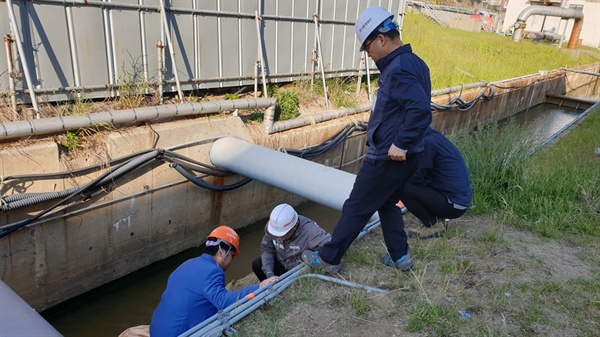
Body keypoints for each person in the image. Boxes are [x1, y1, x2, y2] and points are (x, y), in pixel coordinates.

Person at [303, 6, 432, 272]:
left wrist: (400, 143)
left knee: (357, 206)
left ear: (381, 39)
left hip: (389, 156)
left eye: (368, 47)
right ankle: (401, 257)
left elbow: (420, 109)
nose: (368, 55)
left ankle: (329, 259)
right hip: (407, 155)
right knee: (387, 203)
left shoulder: (398, 68)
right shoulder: (416, 63)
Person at [149, 225, 279, 337]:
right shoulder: (213, 271)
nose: (231, 263)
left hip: (155, 330)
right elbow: (222, 301)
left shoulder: (187, 264)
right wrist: (259, 287)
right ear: (222, 252)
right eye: (232, 257)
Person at [400, 127, 472, 239]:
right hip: (457, 199)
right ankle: (438, 221)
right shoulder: (432, 136)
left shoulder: (427, 144)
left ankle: (432, 225)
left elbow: (417, 177)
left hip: (453, 203)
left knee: (402, 186)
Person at [252, 203, 331, 281]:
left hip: (296, 268)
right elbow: (266, 249)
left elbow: (332, 246)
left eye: (282, 235)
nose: (278, 238)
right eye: (276, 235)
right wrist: (269, 273)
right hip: (282, 262)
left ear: (295, 227)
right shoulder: (274, 228)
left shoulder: (311, 232)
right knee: (257, 264)